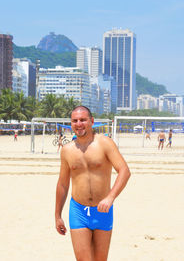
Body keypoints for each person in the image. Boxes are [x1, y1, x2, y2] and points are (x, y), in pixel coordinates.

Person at [55, 106, 130, 261]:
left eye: (83, 120)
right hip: (78, 211)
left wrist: (110, 197)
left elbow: (124, 171)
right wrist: (57, 215)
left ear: (91, 121)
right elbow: (63, 184)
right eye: (75, 121)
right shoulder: (67, 150)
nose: (79, 124)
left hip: (103, 211)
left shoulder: (105, 143)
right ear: (71, 124)